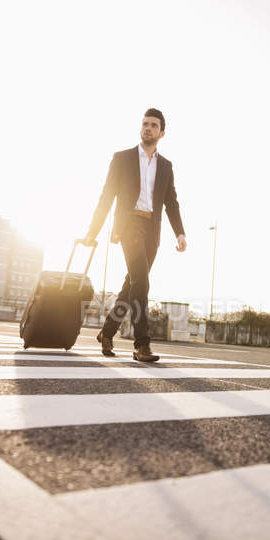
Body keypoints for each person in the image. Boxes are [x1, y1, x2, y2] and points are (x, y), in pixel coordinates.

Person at [84, 108, 187, 362]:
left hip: (152, 231)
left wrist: (180, 233)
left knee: (131, 285)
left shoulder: (166, 166)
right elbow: (106, 197)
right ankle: (142, 344)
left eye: (153, 125)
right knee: (141, 282)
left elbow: (171, 202)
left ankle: (107, 332)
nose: (147, 128)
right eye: (144, 124)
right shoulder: (122, 158)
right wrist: (92, 232)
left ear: (162, 133)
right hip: (128, 226)